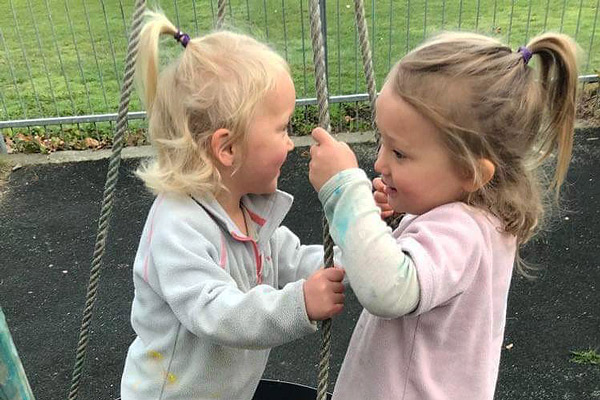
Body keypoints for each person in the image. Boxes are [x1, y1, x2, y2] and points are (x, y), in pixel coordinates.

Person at [308, 31, 579, 399]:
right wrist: (394, 222)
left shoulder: (461, 231)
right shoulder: (484, 219)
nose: (380, 162)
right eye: (383, 143)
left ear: (470, 173)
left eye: (400, 154)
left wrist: (344, 190)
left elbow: (388, 288)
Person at [120, 11, 346, 400]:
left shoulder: (248, 208)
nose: (291, 143)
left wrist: (359, 253)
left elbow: (293, 259)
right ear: (227, 148)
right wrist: (301, 303)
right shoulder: (178, 226)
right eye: (283, 128)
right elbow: (218, 313)